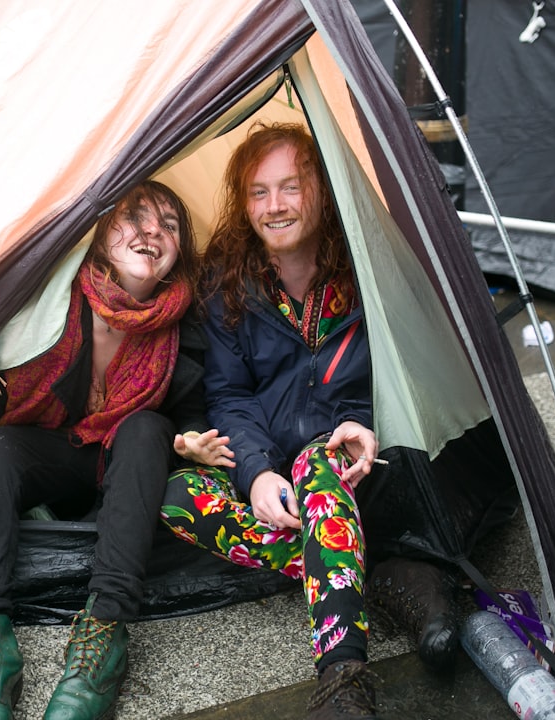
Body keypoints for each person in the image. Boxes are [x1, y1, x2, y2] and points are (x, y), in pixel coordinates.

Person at [160, 122, 456, 720]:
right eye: (259, 192)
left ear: (321, 190)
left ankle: (343, 679)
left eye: (291, 186)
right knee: (176, 496)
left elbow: (409, 366)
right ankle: (367, 575)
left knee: (318, 465)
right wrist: (256, 472)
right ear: (244, 206)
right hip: (279, 473)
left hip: (350, 465)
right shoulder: (229, 286)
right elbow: (229, 395)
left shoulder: (367, 269)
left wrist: (364, 423)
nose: (275, 206)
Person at [0, 180, 234, 720]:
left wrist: (189, 440)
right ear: (99, 236)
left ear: (178, 254)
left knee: (148, 426)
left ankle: (103, 637)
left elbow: (190, 407)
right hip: (54, 452)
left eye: (168, 225)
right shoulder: (55, 297)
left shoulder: (182, 321)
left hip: (125, 463)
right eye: (134, 217)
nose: (151, 232)